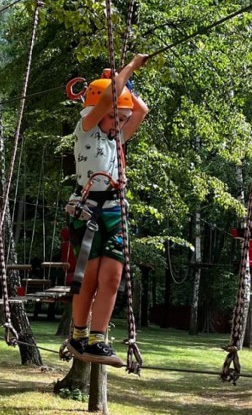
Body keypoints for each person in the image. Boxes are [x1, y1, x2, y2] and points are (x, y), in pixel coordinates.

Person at [65, 54, 149, 366]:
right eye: (115, 117)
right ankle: (78, 335)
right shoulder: (86, 127)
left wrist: (126, 82)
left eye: (122, 119)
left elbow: (141, 110)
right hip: (87, 209)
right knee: (88, 278)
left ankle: (98, 339)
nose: (120, 123)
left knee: (112, 277)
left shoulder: (117, 137)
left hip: (114, 209)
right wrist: (128, 68)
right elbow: (108, 101)